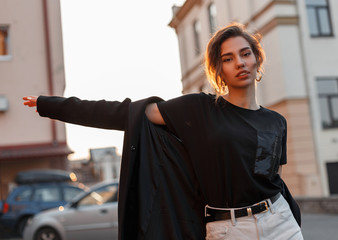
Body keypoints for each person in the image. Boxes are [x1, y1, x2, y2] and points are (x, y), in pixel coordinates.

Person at [24, 23, 303, 239]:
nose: (240, 63)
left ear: (257, 60)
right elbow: (126, 113)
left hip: (279, 222)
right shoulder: (200, 109)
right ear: (220, 70)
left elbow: (273, 179)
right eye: (228, 59)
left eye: (245, 54)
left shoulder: (276, 121)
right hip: (228, 229)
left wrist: (291, 216)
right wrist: (52, 105)